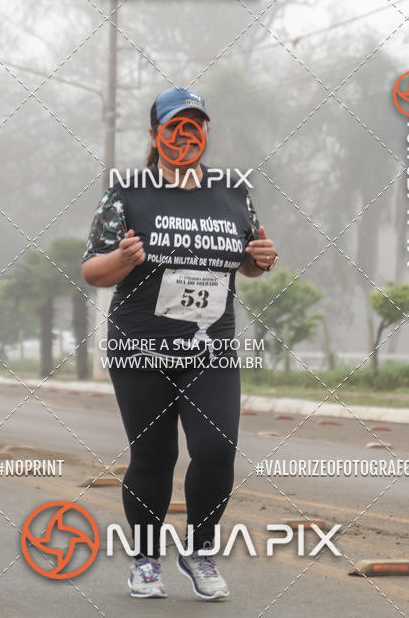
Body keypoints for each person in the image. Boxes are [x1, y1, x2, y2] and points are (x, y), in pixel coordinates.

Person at [82, 86, 277, 600]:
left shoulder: (233, 192)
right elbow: (92, 270)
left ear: (205, 133)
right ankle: (146, 560)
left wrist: (261, 258)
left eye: (195, 124)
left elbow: (249, 261)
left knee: (217, 449)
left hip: (210, 347)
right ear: (155, 135)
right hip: (140, 345)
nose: (185, 133)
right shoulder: (127, 193)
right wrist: (122, 259)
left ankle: (200, 548)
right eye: (174, 125)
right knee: (154, 457)